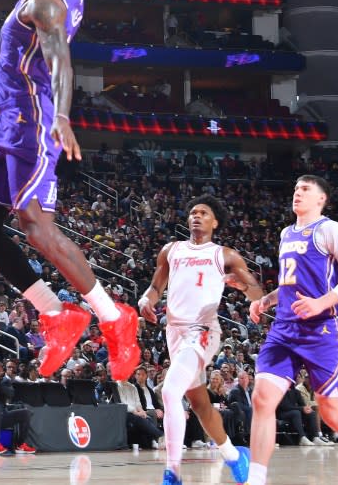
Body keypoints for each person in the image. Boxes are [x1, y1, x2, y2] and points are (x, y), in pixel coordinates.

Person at [0, 0, 141, 381]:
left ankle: (113, 317)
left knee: (36, 226)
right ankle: (55, 313)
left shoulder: (45, 2)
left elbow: (60, 60)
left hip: (31, 123)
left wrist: (62, 114)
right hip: (6, 125)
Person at [247, 175, 338, 485]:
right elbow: (291, 282)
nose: (297, 193)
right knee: (261, 399)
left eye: (305, 190)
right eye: (295, 188)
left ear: (321, 199)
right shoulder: (286, 233)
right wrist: (267, 300)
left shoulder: (330, 229)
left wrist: (322, 302)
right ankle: (255, 479)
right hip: (285, 329)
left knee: (331, 412)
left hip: (322, 330)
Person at [138, 195, 258, 485]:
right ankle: (233, 455)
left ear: (214, 222)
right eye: (193, 211)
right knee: (200, 403)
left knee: (169, 392)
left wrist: (243, 287)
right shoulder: (172, 250)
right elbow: (156, 285)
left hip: (203, 330)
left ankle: (173, 472)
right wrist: (146, 300)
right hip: (174, 331)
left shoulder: (225, 255)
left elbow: (256, 292)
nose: (196, 215)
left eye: (203, 212)